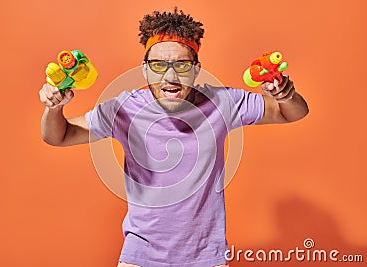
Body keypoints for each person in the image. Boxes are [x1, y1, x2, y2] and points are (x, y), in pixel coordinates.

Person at [39, 8, 308, 267]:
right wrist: (54, 107)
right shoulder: (125, 109)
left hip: (207, 257)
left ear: (196, 69)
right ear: (144, 69)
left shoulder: (221, 103)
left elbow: (292, 113)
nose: (170, 76)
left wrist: (286, 95)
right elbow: (57, 135)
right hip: (139, 258)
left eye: (181, 65)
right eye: (158, 65)